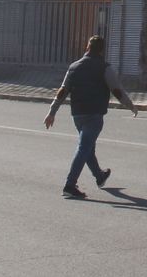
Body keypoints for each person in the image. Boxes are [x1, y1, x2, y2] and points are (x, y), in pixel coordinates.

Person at [44, 35, 138, 197]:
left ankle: (99, 176)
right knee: (84, 147)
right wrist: (130, 106)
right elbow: (116, 90)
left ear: (87, 47)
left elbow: (62, 91)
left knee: (88, 147)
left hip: (78, 114)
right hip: (94, 114)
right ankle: (70, 185)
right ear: (102, 50)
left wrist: (52, 112)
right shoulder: (104, 67)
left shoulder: (74, 67)